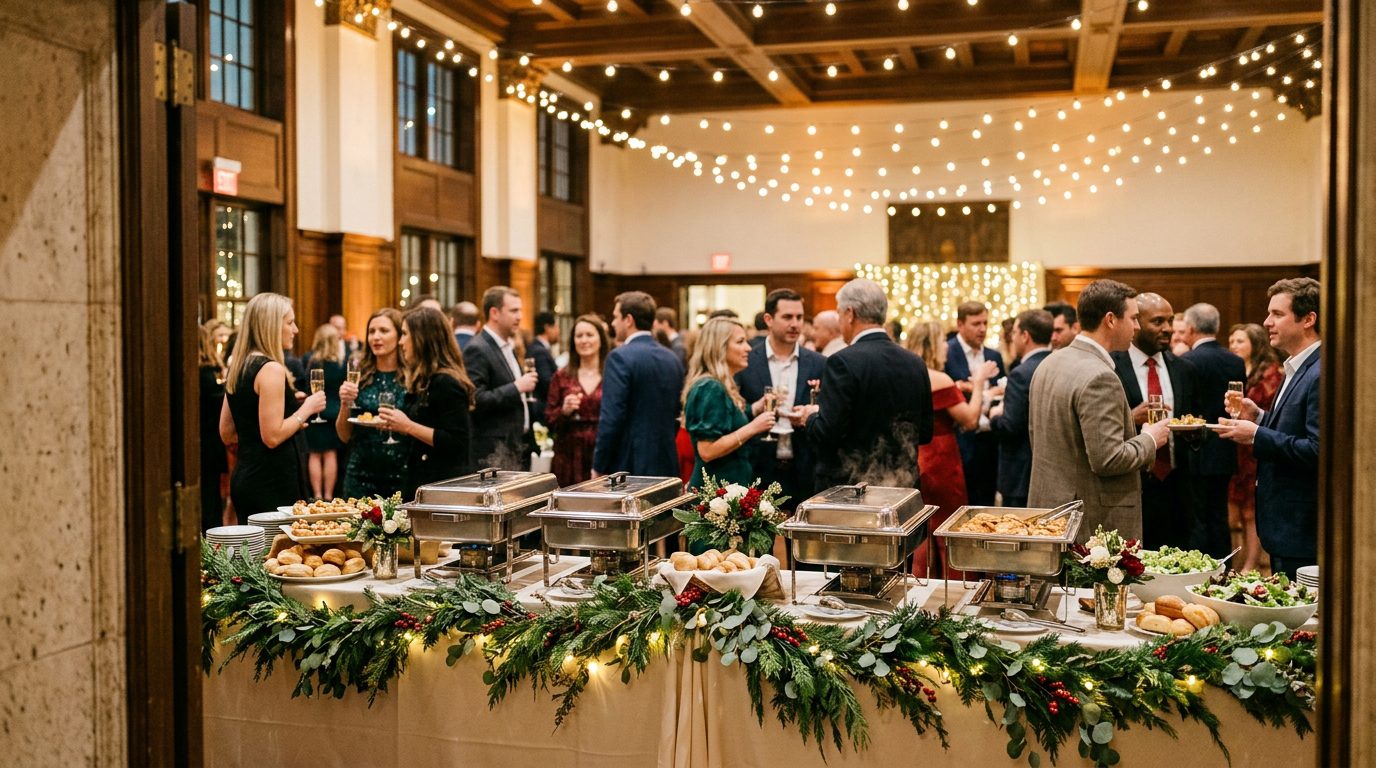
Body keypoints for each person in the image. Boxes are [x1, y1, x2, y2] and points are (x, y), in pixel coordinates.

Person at [1028, 280, 1169, 539]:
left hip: (1049, 507)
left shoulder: (1050, 362)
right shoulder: (1098, 376)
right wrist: (1151, 438)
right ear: (1111, 320)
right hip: (1088, 519)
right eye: (1134, 318)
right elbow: (1109, 459)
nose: (1137, 327)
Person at [1217, 278, 1321, 578]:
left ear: (1308, 319)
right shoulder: (1295, 366)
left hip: (1302, 525)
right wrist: (1260, 417)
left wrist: (1256, 435)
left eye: (1277, 314)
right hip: (1284, 524)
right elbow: (1293, 429)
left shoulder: (1319, 371)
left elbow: (1317, 450)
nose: (1267, 322)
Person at [806, 279, 933, 489]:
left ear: (850, 313)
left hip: (853, 486)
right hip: (902, 483)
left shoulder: (841, 362)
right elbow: (925, 432)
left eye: (839, 314)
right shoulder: (915, 362)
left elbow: (828, 433)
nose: (839, 322)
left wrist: (809, 417)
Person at [219, 293, 325, 520]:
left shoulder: (239, 365)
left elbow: (226, 431)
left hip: (246, 475)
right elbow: (272, 436)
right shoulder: (271, 369)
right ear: (271, 325)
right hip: (272, 481)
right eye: (289, 323)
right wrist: (306, 409)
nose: (295, 329)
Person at [1109, 293, 1201, 549]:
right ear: (1136, 323)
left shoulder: (1184, 369)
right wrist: (1131, 416)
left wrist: (1193, 432)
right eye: (1158, 321)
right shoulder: (1112, 368)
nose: (1168, 329)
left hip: (1177, 486)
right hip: (1132, 483)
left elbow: (1197, 424)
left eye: (1170, 321)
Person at [904, 320, 995, 577]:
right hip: (941, 458)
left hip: (916, 456)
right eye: (943, 341)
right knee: (948, 526)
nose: (947, 347)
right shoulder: (939, 379)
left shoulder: (908, 375)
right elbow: (969, 419)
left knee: (921, 527)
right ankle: (953, 587)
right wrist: (978, 384)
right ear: (933, 344)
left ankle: (921, 583)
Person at [734, 289, 826, 508]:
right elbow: (737, 408)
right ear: (768, 319)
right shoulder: (746, 362)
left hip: (804, 462)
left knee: (800, 539)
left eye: (799, 317)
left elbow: (829, 409)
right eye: (787, 317)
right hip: (758, 462)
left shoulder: (818, 362)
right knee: (759, 538)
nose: (795, 324)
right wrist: (756, 409)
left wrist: (810, 413)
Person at [376, 307, 475, 500]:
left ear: (422, 338)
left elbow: (457, 442)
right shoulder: (426, 378)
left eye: (405, 334)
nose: (400, 341)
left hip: (442, 488)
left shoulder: (446, 382)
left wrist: (408, 426)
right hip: (423, 480)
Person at [1179, 303, 1248, 558]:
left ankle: (1199, 572)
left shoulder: (1186, 361)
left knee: (1197, 516)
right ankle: (1224, 569)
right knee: (1219, 516)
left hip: (1195, 447)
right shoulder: (1235, 361)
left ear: (1191, 328)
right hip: (1224, 446)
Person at [593, 291, 687, 477]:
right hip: (666, 457)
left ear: (628, 320)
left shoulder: (619, 357)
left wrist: (599, 464)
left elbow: (611, 417)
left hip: (629, 461)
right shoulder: (671, 358)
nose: (613, 323)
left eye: (615, 317)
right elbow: (677, 411)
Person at [683, 317, 778, 490]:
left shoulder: (721, 384)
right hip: (713, 495)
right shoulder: (710, 387)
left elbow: (727, 423)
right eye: (740, 342)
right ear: (720, 347)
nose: (748, 348)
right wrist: (754, 427)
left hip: (726, 491)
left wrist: (754, 409)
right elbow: (707, 450)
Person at [1226, 322, 1283, 572]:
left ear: (1255, 344)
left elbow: (1274, 414)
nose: (1234, 346)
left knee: (1251, 510)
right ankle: (1240, 560)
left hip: (1257, 447)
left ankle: (1252, 562)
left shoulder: (1270, 373)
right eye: (1231, 341)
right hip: (1238, 447)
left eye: (1240, 341)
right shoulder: (1237, 371)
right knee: (1236, 510)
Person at [336, 308, 410, 499]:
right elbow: (344, 436)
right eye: (371, 331)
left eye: (384, 331)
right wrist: (345, 403)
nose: (376, 337)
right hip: (360, 475)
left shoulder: (412, 376)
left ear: (399, 335)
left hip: (403, 474)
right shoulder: (360, 374)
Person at [464, 286, 538, 470]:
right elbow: (477, 399)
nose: (520, 316)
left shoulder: (507, 346)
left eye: (520, 310)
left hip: (515, 445)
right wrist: (517, 387)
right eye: (514, 310)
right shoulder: (478, 348)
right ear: (494, 313)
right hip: (493, 452)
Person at [989, 310, 1054, 508]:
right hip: (1051, 468)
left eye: (1015, 333)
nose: (1013, 338)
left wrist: (994, 416)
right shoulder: (1057, 365)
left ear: (1025, 336)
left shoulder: (1021, 374)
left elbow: (1010, 426)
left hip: (1020, 472)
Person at [945, 301, 1006, 506]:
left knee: (987, 503)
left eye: (985, 323)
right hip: (960, 440)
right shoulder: (948, 353)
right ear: (960, 324)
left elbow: (1003, 390)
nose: (982, 329)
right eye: (976, 323)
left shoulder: (993, 355)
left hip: (989, 441)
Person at [544, 315, 609, 486]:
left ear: (601, 339)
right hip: (569, 454)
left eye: (589, 335)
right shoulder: (561, 376)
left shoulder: (612, 374)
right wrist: (564, 411)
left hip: (603, 450)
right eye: (579, 336)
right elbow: (549, 419)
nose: (584, 340)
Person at [303, 324, 347, 499]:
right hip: (335, 413)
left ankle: (317, 495)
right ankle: (329, 495)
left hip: (316, 411)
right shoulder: (341, 363)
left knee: (314, 454)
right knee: (330, 454)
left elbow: (307, 387)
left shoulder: (310, 360)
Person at [199, 323, 229, 530]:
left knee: (211, 488)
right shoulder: (206, 372)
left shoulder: (205, 370)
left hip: (207, 435)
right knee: (210, 490)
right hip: (210, 435)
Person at [529, 311, 560, 426]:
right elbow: (547, 382)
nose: (558, 331)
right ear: (547, 327)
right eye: (556, 327)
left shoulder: (539, 348)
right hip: (541, 410)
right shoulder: (539, 351)